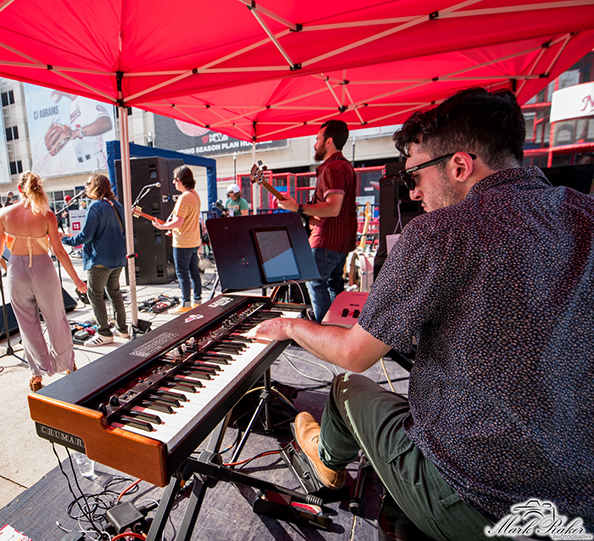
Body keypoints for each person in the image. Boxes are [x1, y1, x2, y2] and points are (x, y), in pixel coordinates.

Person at [246, 87, 594, 539]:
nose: (412, 192)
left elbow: (355, 354)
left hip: (482, 503)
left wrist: (288, 325)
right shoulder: (584, 213)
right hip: (579, 507)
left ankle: (327, 466)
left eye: (414, 175)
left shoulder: (440, 231)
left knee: (346, 388)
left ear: (460, 165)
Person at [0, 171, 87, 392]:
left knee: (27, 324)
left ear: (19, 189)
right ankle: (68, 365)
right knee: (56, 319)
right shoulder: (47, 215)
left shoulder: (4, 213)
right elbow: (59, 251)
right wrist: (77, 280)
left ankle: (37, 373)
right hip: (43, 270)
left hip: (16, 271)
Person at [278, 120, 357, 323]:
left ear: (328, 141)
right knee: (333, 284)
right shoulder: (345, 166)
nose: (315, 144)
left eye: (317, 139)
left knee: (314, 282)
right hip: (342, 241)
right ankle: (338, 326)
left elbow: (332, 207)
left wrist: (297, 208)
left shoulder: (333, 169)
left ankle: (324, 331)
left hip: (327, 240)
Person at [61, 174, 128, 347]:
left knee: (95, 294)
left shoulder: (95, 206)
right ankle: (121, 329)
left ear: (96, 186)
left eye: (88, 184)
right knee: (114, 292)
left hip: (100, 259)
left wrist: (65, 239)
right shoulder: (117, 205)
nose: (85, 187)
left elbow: (86, 236)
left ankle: (104, 333)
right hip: (118, 257)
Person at [152, 165, 202, 315]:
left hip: (183, 243)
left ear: (180, 180)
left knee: (182, 273)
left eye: (175, 179)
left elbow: (179, 222)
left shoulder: (183, 198)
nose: (173, 182)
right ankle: (197, 302)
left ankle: (185, 304)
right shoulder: (194, 194)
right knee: (194, 273)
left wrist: (162, 227)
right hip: (193, 241)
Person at [45, 91, 113, 170]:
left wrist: (77, 133)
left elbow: (106, 123)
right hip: (80, 164)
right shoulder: (73, 104)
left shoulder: (85, 98)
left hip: (94, 160)